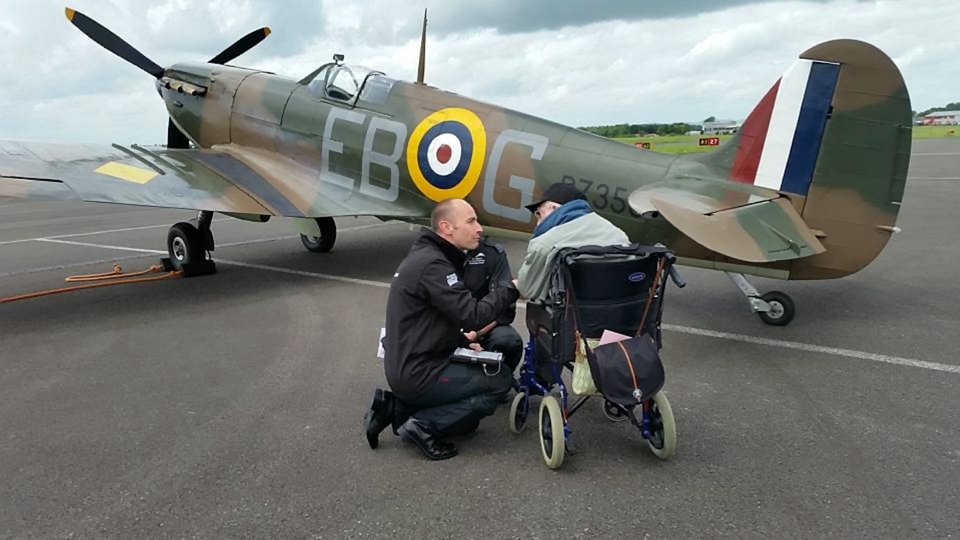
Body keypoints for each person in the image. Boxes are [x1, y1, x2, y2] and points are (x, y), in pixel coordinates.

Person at [363, 199, 518, 460]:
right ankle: (423, 426)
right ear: (446, 227)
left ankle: (393, 407)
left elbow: (431, 320)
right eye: (471, 221)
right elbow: (471, 315)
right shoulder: (433, 264)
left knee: (468, 423)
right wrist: (511, 290)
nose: (479, 228)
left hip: (410, 363)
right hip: (418, 371)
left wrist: (464, 342)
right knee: (499, 380)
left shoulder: (429, 257)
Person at [516, 182, 630, 303]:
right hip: (618, 313)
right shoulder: (619, 235)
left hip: (572, 317)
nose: (538, 223)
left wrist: (517, 284)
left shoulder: (543, 244)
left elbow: (527, 290)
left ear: (554, 208)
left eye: (539, 213)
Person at [462, 236, 524, 372]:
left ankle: (501, 376)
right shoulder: (435, 256)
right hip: (446, 328)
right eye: (470, 221)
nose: (478, 228)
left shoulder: (492, 253)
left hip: (483, 325)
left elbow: (504, 307)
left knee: (508, 341)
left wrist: (477, 334)